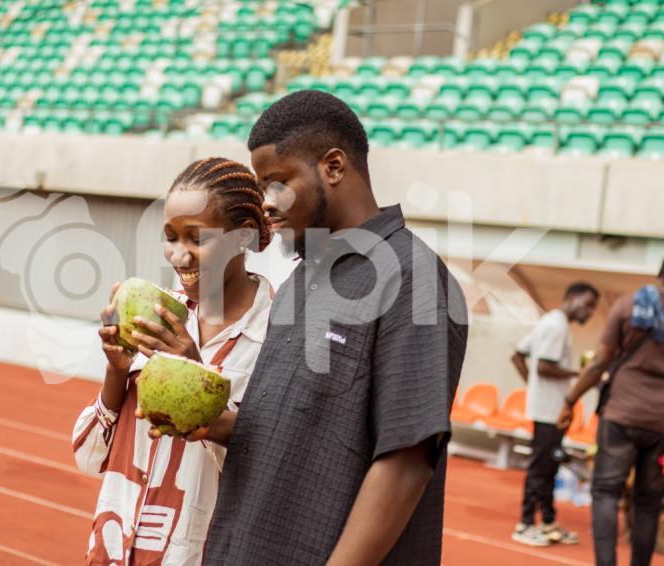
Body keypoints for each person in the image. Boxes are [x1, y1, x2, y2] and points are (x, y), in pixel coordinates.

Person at [148, 90, 468, 564]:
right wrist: (213, 421)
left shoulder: (412, 276)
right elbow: (290, 432)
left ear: (333, 167)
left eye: (276, 182)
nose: (265, 205)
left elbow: (406, 460)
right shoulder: (299, 282)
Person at [72, 157, 273, 565]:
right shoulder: (158, 320)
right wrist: (115, 371)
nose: (179, 257)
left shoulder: (278, 335)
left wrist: (196, 372)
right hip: (113, 551)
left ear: (242, 238)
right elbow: (89, 455)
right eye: (171, 237)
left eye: (196, 239)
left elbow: (269, 459)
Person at [558, 249, 664, 566]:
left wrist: (570, 401)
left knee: (607, 492)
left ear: (659, 274)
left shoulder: (628, 305)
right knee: (649, 503)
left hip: (621, 414)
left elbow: (599, 362)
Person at [509, 282, 600, 547]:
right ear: (572, 298)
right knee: (541, 469)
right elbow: (544, 367)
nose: (590, 312)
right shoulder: (556, 326)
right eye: (588, 304)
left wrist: (534, 389)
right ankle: (525, 524)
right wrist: (581, 375)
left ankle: (547, 521)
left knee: (547, 468)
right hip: (548, 412)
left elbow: (517, 356)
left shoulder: (551, 322)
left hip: (548, 408)